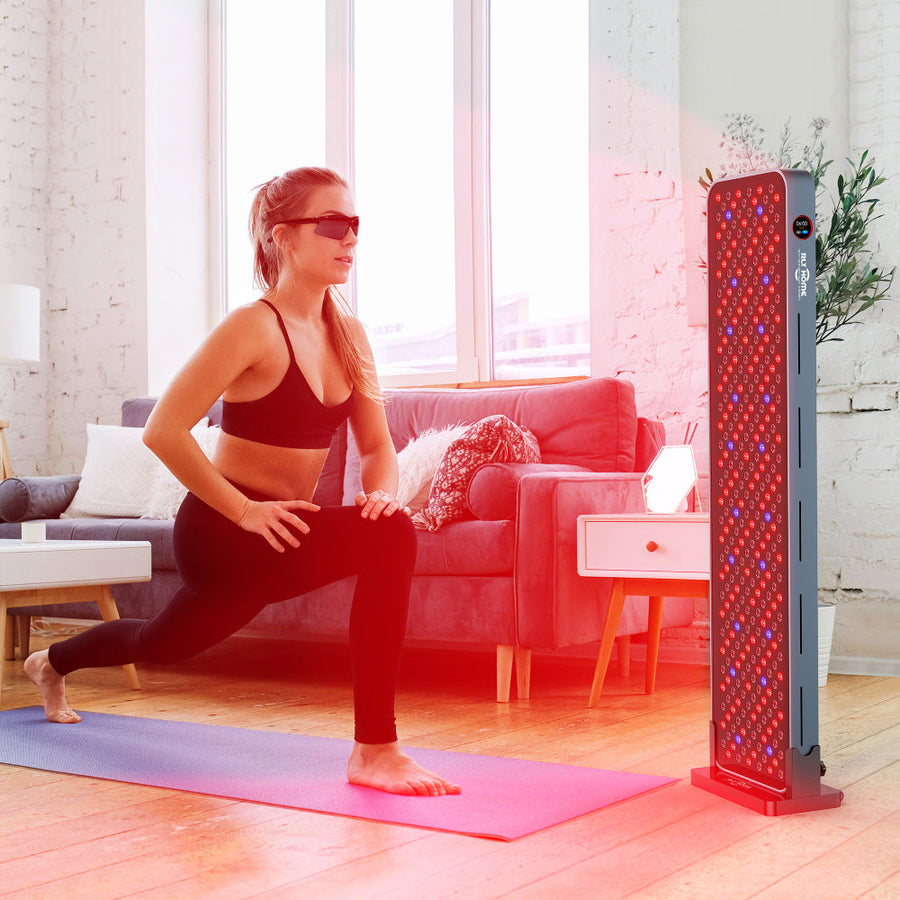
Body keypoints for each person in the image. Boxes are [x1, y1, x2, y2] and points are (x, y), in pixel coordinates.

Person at [25, 166, 460, 797]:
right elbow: (163, 430)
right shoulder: (251, 326)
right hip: (223, 531)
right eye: (333, 224)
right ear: (283, 236)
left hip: (279, 533)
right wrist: (244, 512)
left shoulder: (350, 336)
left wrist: (382, 492)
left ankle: (51, 661)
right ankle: (375, 749)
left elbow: (377, 447)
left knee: (162, 642)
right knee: (391, 539)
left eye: (355, 225)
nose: (350, 239)